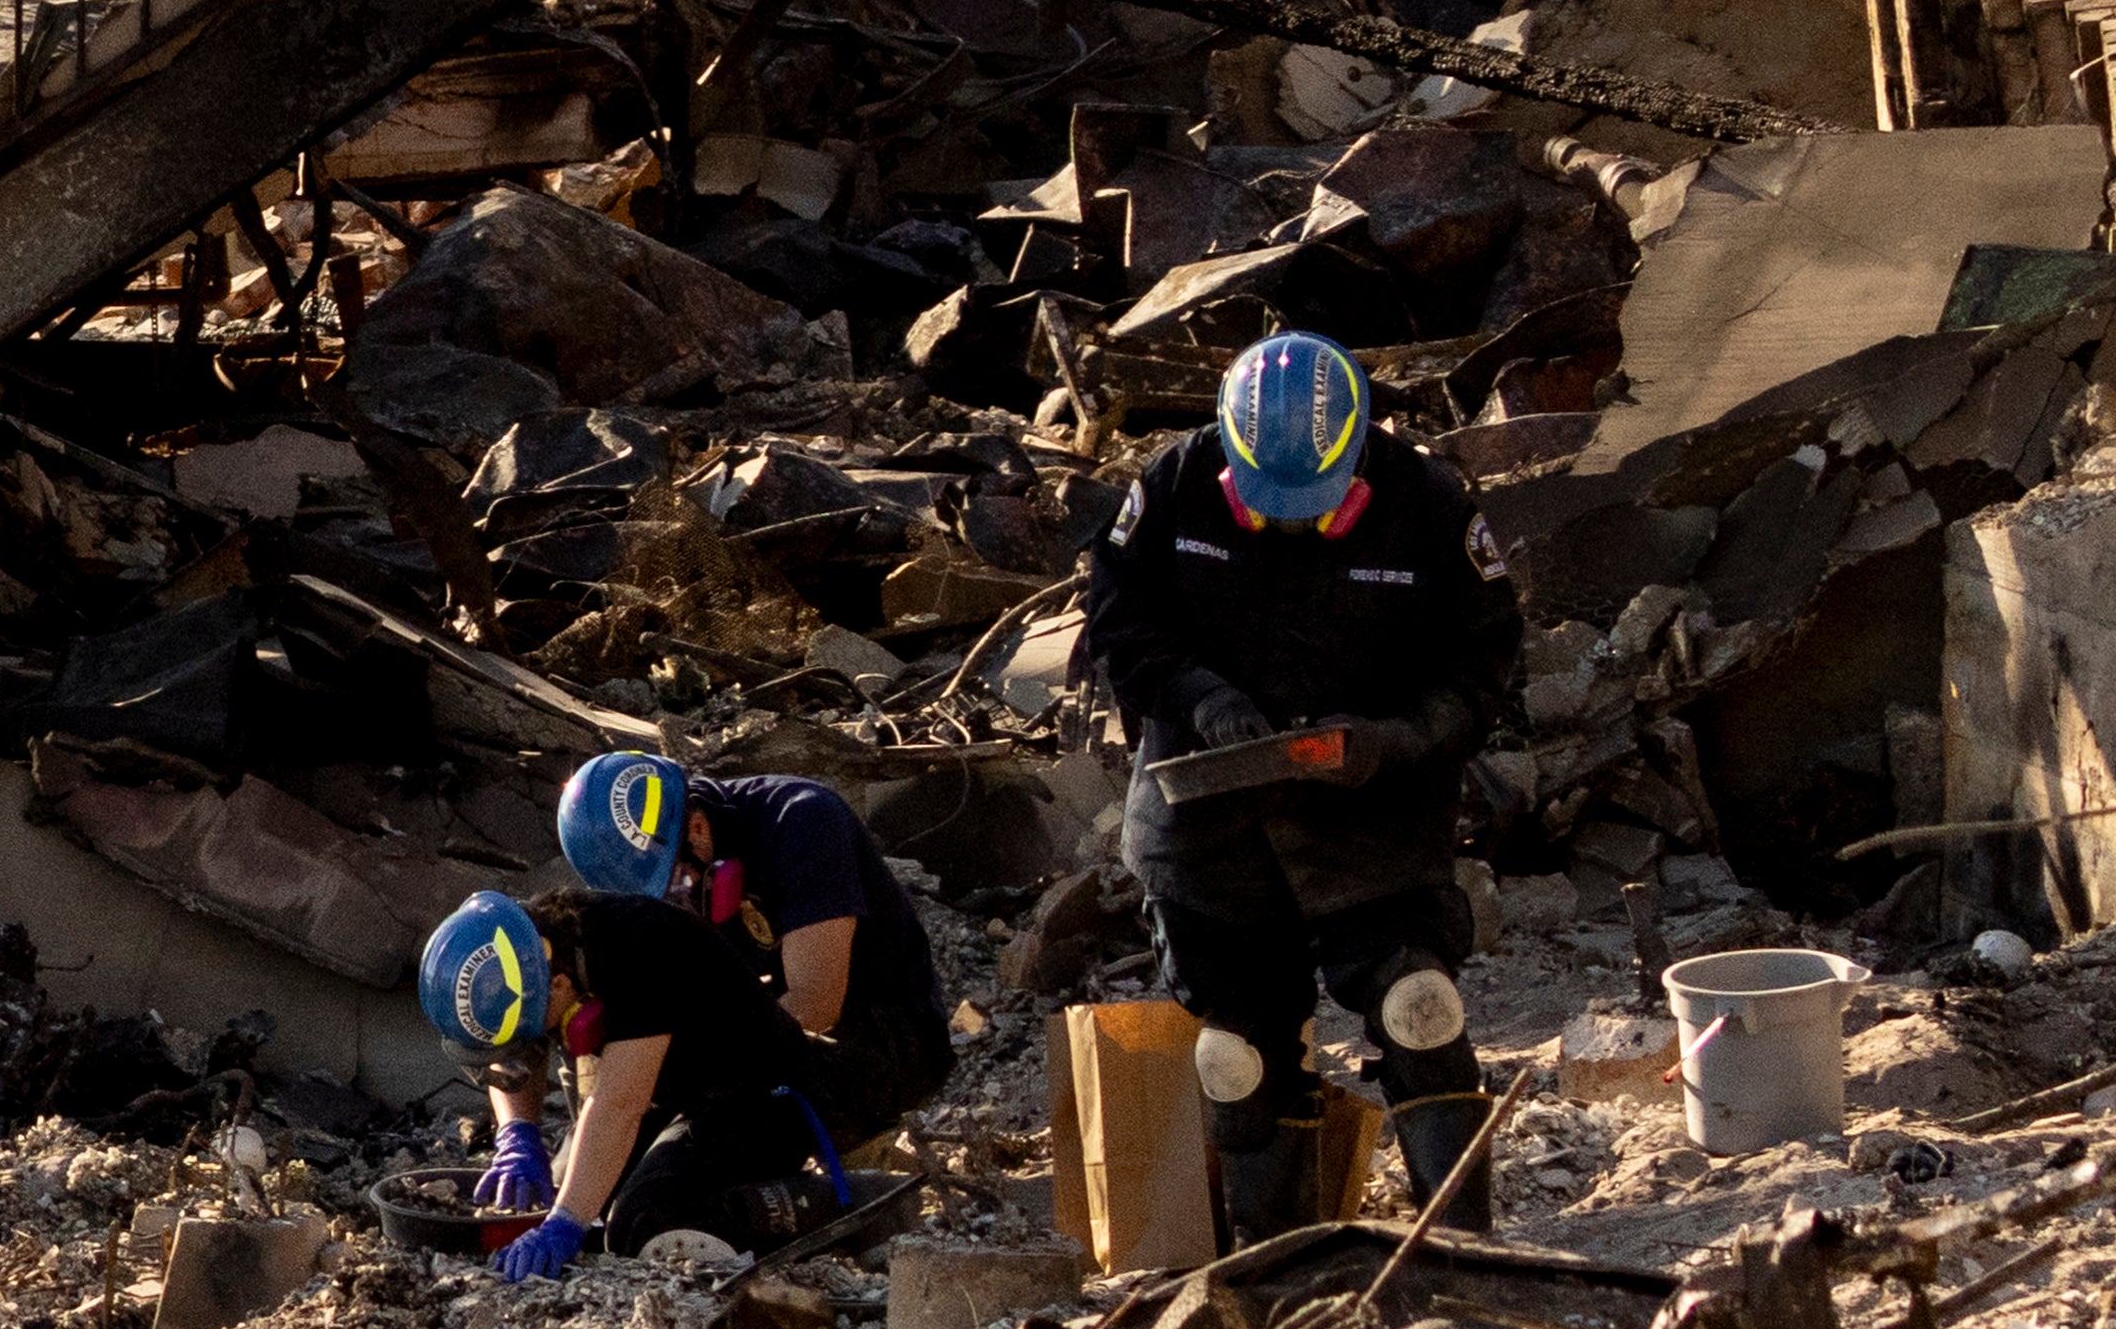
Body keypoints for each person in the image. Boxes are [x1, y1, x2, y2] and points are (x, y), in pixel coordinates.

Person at [1078, 326, 1528, 1241]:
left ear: (1358, 444)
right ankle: (1277, 1261)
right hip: (1209, 823)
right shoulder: (1169, 485)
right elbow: (1116, 618)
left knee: (1418, 1007)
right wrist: (1200, 699)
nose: (1289, 521)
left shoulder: (1432, 505)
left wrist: (1393, 742)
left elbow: (1482, 671)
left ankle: (1463, 1246)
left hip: (1373, 815)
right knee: (1236, 1055)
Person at [413, 751, 955, 1281]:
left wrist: (686, 1073)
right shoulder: (542, 940)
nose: (675, 900)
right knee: (577, 1194)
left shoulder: (801, 822)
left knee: (647, 1221)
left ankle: (857, 1202)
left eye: (673, 881)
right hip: (713, 1072)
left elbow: (813, 1006)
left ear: (698, 827)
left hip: (852, 1051)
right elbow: (519, 1060)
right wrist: (518, 1137)